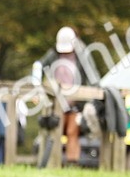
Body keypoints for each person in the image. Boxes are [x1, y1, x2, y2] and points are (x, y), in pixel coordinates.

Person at [32, 27, 98, 166]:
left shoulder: (82, 54)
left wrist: (93, 99)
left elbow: (93, 78)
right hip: (56, 102)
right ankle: (50, 163)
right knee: (54, 131)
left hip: (76, 102)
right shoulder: (54, 54)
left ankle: (72, 163)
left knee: (71, 132)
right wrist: (36, 89)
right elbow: (38, 66)